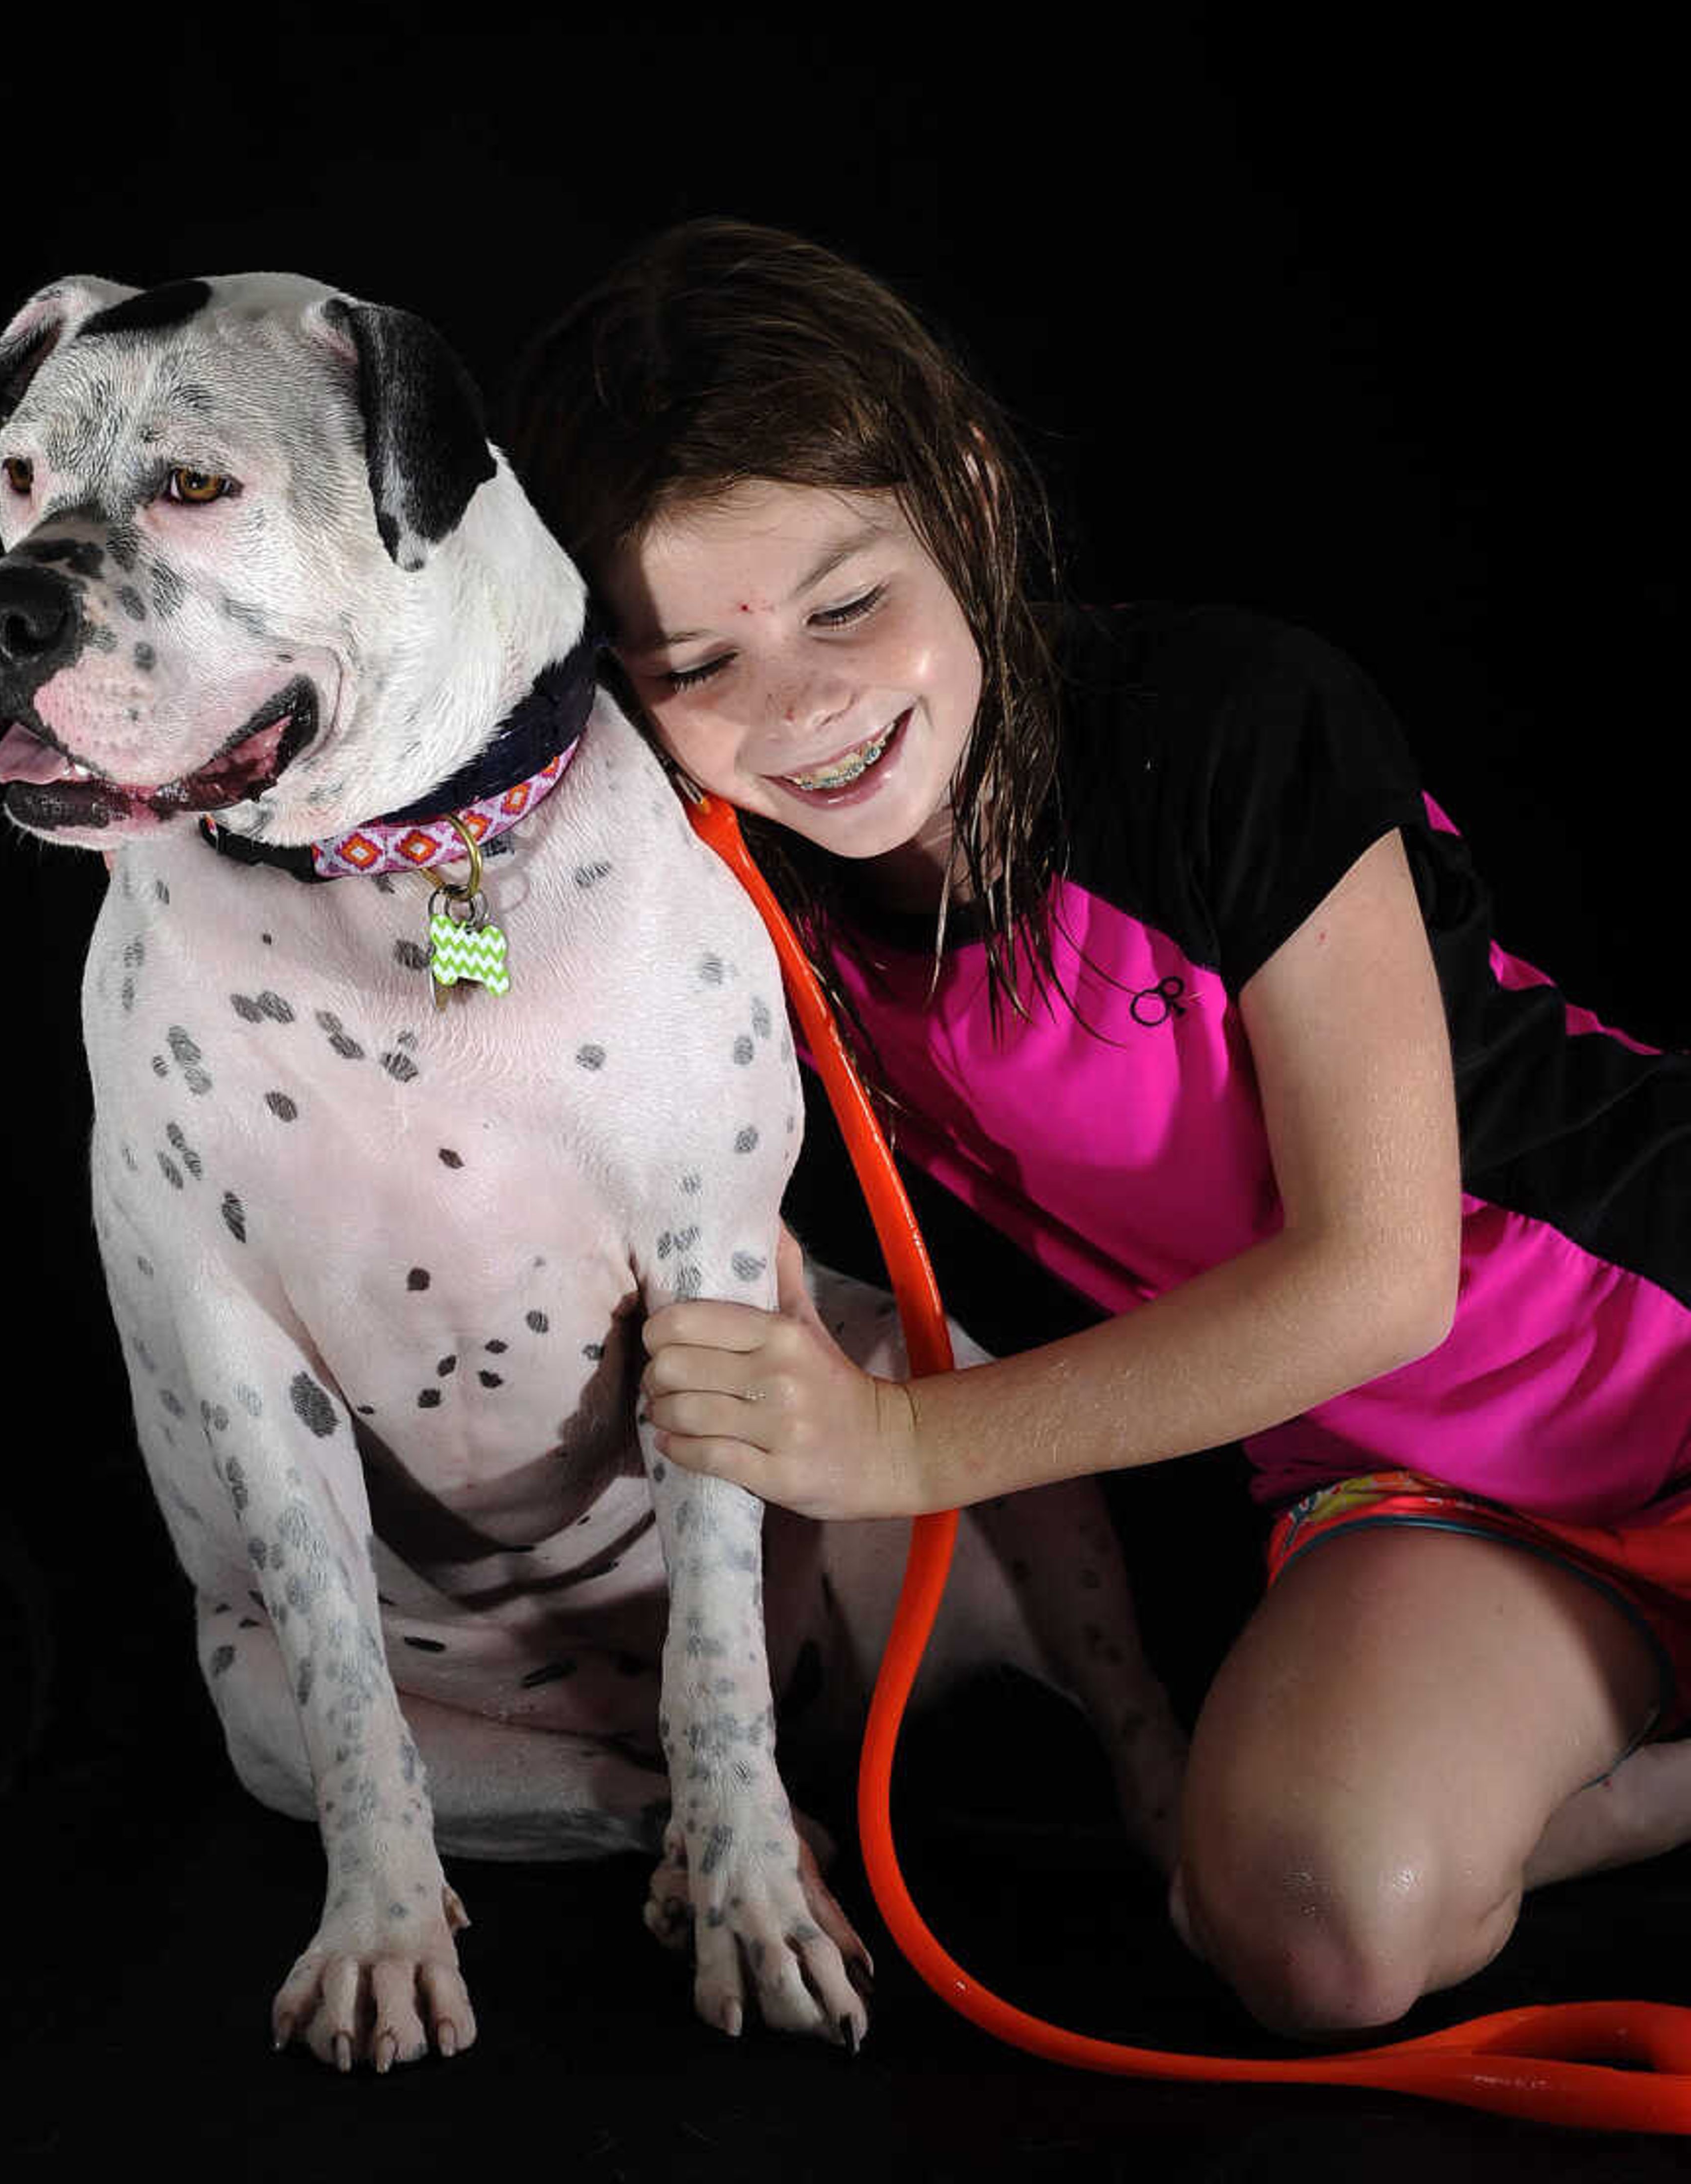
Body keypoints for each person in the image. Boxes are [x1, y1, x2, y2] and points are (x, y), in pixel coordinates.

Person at [497, 217, 1691, 2041]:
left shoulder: (1224, 723)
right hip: (1436, 1500)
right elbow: (465, 954)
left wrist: (906, 1444)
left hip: (1662, 1346)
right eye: (698, 666)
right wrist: (426, 864)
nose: (806, 706)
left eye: (844, 604)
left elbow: (1383, 1282)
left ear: (964, 496)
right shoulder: (720, 891)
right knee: (1302, 1932)